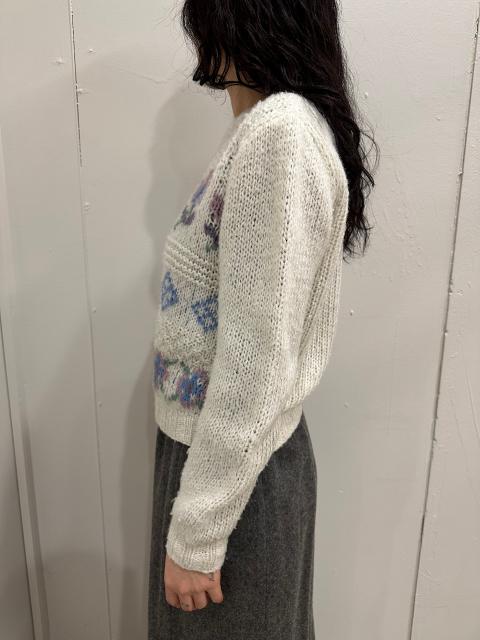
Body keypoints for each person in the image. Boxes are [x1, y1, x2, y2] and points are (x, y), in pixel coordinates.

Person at [148, 1, 378, 638]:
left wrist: (197, 535)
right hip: (225, 468)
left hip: (232, 487)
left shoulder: (280, 134)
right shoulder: (268, 130)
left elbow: (257, 359)